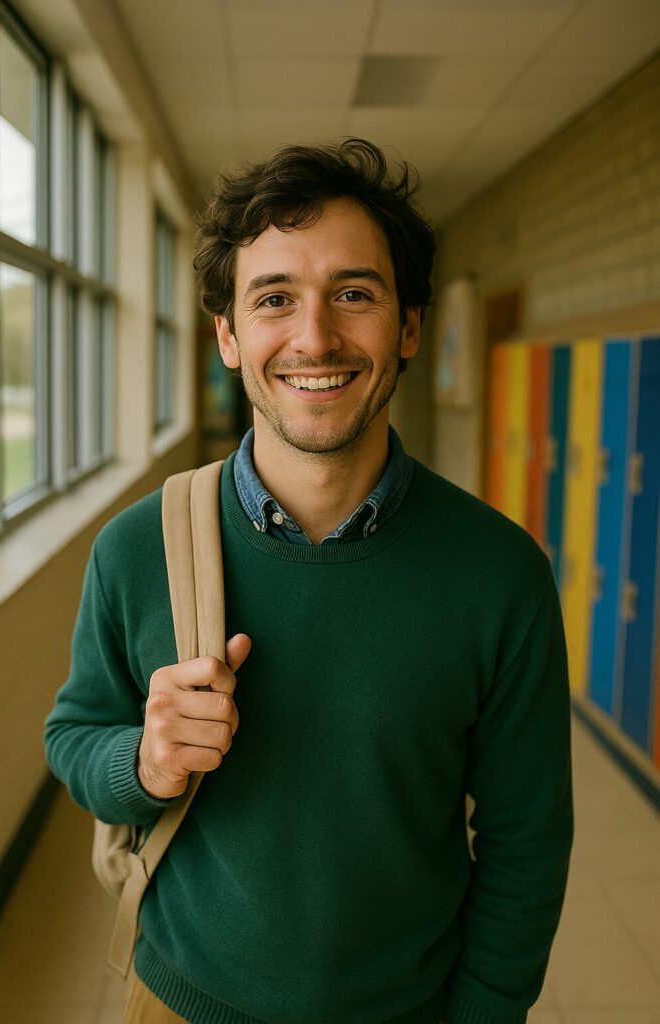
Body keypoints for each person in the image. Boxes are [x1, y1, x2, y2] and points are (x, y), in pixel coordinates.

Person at [45, 138, 573, 1024]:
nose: (315, 336)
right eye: (274, 299)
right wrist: (144, 759)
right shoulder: (137, 547)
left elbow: (526, 840)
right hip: (177, 1000)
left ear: (407, 326)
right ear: (228, 336)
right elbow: (73, 738)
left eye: (354, 294)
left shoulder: (499, 574)